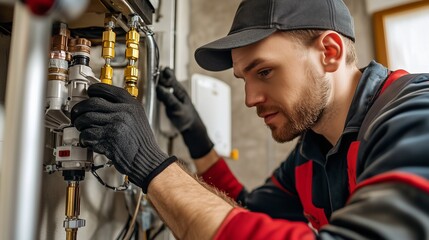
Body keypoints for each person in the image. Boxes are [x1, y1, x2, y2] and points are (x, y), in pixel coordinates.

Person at [71, 0, 429, 239]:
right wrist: (196, 135)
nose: (249, 99)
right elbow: (244, 210)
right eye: (245, 79)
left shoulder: (414, 117)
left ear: (329, 53)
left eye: (266, 71)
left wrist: (152, 167)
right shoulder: (312, 150)